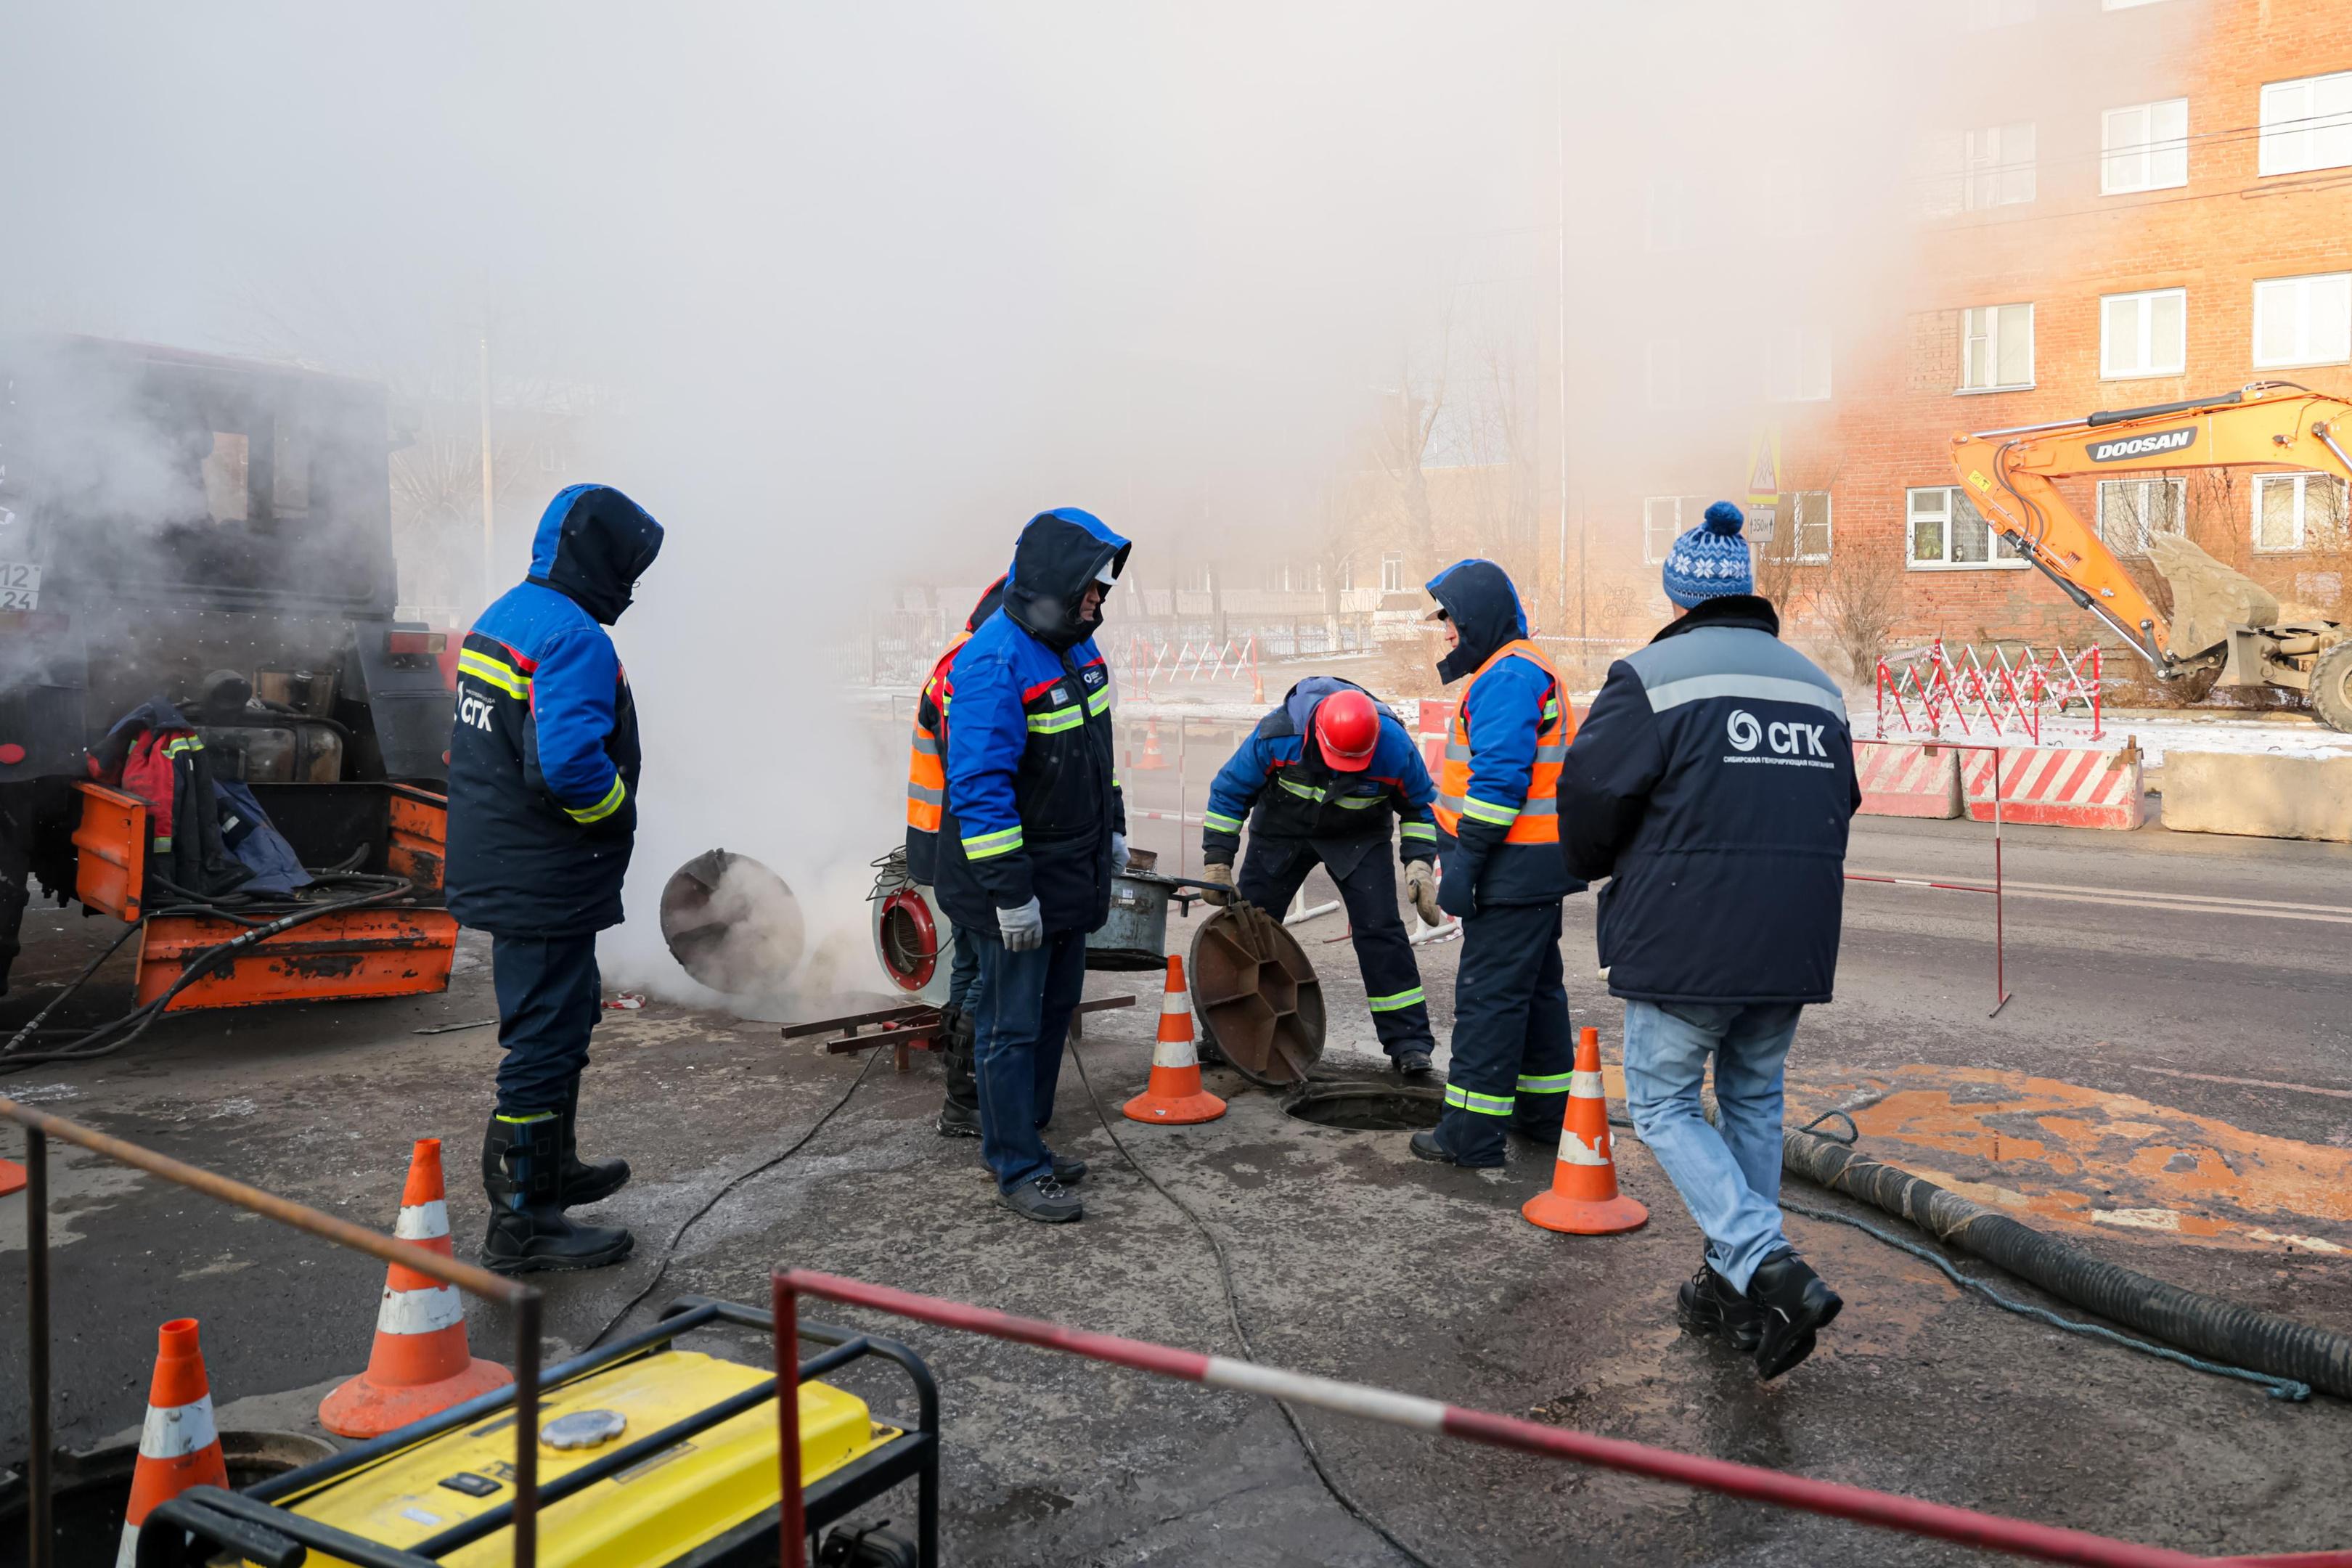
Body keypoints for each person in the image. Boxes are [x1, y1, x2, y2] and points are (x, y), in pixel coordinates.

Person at [1556, 500, 1860, 1380]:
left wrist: (1592, 864)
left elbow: (1591, 800)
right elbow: (1842, 801)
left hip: (1689, 933)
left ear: (1680, 596)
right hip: (1794, 935)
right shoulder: (1816, 683)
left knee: (1660, 1103)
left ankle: (1765, 1260)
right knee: (1755, 1100)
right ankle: (1740, 1281)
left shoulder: (1651, 676)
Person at [446, 483, 663, 1275]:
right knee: (541, 1043)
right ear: (600, 559)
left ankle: (553, 1169)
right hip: (542, 875)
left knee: (565, 1021)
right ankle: (523, 1219)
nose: (632, 588)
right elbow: (571, 766)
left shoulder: (505, 616)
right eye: (628, 568)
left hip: (506, 861)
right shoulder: (575, 639)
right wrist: (617, 816)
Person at [933, 507, 1130, 1223]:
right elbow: (980, 793)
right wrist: (1011, 896)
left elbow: (1100, 756)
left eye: (1103, 590)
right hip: (1013, 883)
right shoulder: (993, 660)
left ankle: (1031, 1143)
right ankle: (1013, 1162)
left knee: (1052, 1014)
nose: (1100, 600)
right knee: (1008, 1026)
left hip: (1070, 874)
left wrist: (1114, 829)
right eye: (1092, 588)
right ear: (1056, 578)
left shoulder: (1079, 650)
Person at [1411, 559, 1582, 1169]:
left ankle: (1469, 1135)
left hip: (1508, 872)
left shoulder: (1507, 677)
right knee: (1535, 995)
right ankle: (1544, 1116)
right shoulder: (1519, 669)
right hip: (1531, 872)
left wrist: (1465, 868)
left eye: (1451, 619)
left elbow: (1497, 784)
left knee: (1489, 1000)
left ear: (1479, 616)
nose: (1448, 633)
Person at [1196, 679, 1444, 1075]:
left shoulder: (1394, 747)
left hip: (1359, 838)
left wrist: (1419, 865)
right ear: (1317, 734)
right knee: (1250, 931)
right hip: (1281, 833)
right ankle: (1228, 1034)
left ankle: (1409, 1043)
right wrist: (1218, 860)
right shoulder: (1278, 735)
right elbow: (1229, 792)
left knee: (1382, 931)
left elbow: (1421, 808)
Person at [903, 575, 1007, 1138]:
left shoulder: (953, 658)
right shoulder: (975, 667)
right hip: (969, 846)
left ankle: (959, 1097)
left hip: (945, 844)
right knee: (984, 978)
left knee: (968, 969)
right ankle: (967, 1099)